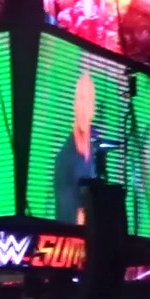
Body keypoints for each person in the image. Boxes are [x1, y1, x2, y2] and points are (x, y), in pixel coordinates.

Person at [52, 72, 97, 226]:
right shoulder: (63, 159)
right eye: (81, 99)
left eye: (89, 100)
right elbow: (66, 216)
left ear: (94, 108)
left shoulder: (96, 152)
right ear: (74, 104)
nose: (84, 107)